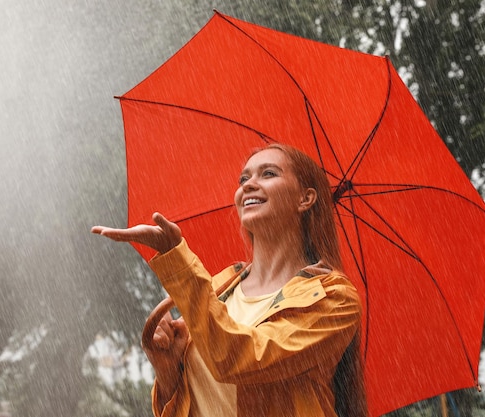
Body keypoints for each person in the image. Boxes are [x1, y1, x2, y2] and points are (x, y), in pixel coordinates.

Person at [92, 144, 368, 417]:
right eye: (244, 179)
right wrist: (168, 370)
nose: (249, 185)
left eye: (268, 174)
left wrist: (175, 257)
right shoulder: (221, 284)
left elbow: (238, 360)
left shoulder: (334, 298)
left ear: (305, 199)